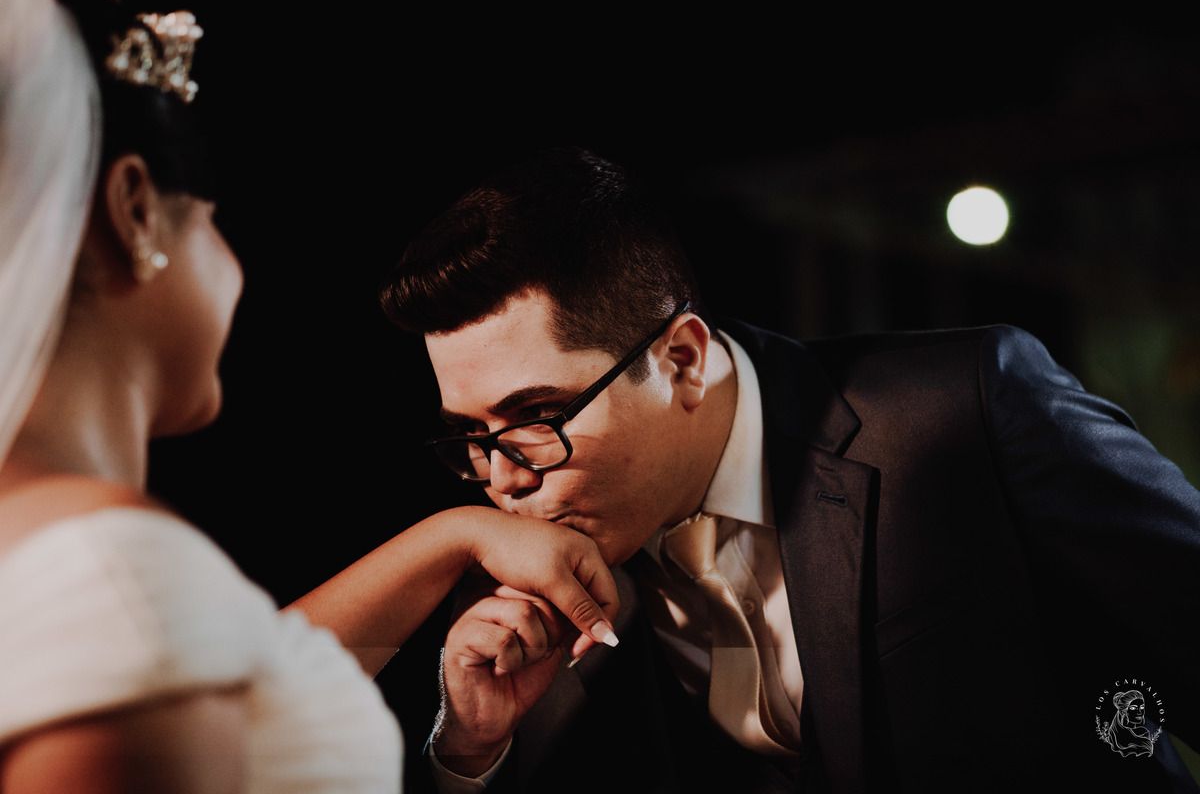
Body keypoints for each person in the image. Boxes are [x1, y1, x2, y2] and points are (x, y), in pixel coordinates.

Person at [378, 145, 1200, 793]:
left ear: (682, 360)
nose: (503, 478)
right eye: (471, 434)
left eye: (537, 417)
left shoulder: (966, 411)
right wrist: (468, 750)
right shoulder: (516, 577)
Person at [0, 0, 617, 792]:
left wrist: (456, 536)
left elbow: (246, 678)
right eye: (211, 225)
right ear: (136, 211)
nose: (234, 270)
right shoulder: (116, 575)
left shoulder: (52, 555)